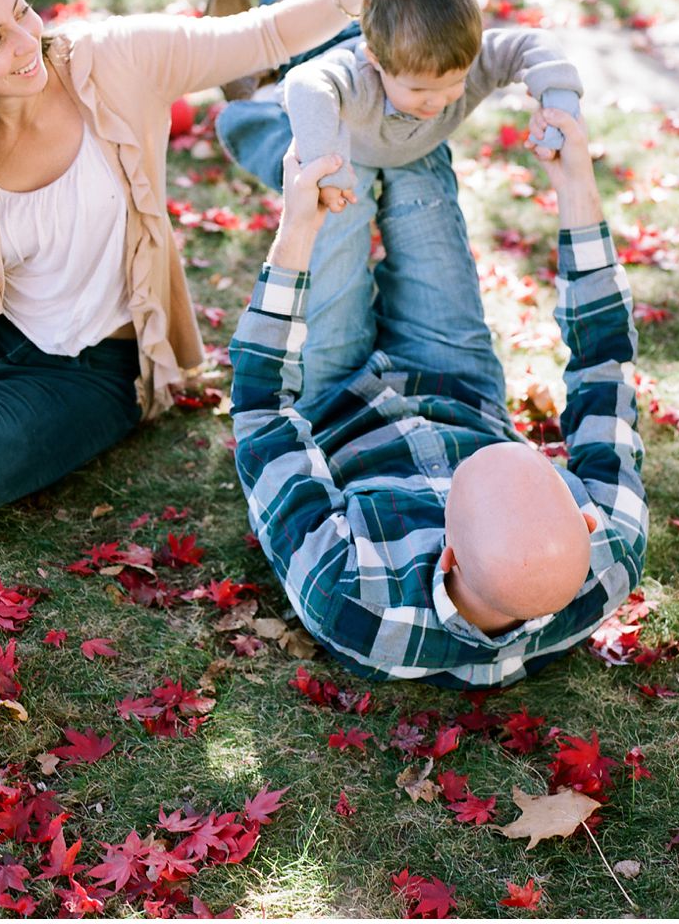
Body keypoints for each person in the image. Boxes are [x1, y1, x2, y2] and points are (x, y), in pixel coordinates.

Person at [0, 0, 424, 525]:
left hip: (92, 365)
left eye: (22, 9)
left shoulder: (114, 60)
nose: (28, 42)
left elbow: (261, 34)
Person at [228, 106, 646, 688]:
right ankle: (366, 47)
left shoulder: (351, 590)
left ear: (446, 554)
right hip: (459, 382)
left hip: (331, 399)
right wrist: (576, 181)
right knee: (418, 150)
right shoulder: (612, 551)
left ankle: (277, 83)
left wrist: (297, 228)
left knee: (332, 189)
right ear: (583, 521)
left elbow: (260, 410)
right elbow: (606, 365)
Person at [216, 0, 585, 402]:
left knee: (380, 64)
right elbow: (306, 85)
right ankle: (250, 61)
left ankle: (331, 11)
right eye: (420, 90)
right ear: (377, 62)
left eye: (454, 84)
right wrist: (324, 153)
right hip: (330, 121)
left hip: (400, 136)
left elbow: (530, 44)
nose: (440, 101)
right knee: (285, 113)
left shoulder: (459, 62)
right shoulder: (357, 73)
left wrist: (558, 96)